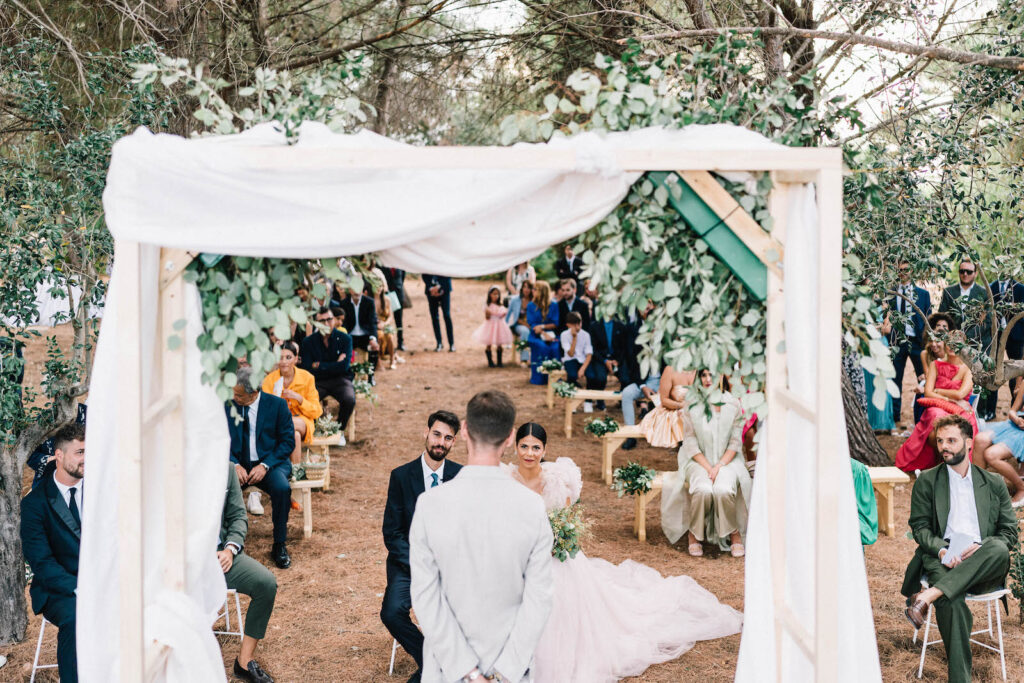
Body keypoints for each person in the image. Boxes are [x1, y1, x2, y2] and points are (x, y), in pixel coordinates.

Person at [505, 422, 743, 682]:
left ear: (544, 449)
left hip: (553, 556)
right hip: (516, 555)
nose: (529, 453)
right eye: (524, 446)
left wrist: (558, 540)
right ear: (515, 447)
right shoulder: (505, 479)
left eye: (535, 447)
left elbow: (567, 520)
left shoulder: (557, 478)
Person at [410, 391, 553, 683]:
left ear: (463, 430)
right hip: (511, 669)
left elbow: (425, 597)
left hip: (448, 670)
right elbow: (539, 599)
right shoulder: (532, 507)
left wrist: (468, 673)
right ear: (511, 437)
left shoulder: (429, 505)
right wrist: (504, 673)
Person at [902, 414, 1017, 683]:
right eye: (941, 440)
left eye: (952, 440)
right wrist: (943, 551)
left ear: (968, 443)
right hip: (942, 558)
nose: (945, 446)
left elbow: (1009, 533)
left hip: (984, 561)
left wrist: (979, 548)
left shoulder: (994, 483)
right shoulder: (927, 481)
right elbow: (920, 527)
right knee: (952, 602)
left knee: (998, 548)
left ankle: (927, 596)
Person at [381, 410, 463, 683]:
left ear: (454, 443)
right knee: (391, 612)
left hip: (451, 568)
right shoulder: (401, 476)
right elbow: (392, 533)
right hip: (409, 565)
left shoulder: (463, 478)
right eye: (437, 434)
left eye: (448, 438)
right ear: (426, 433)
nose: (440, 442)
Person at [661, 370, 751, 557]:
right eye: (703, 375)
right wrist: (708, 467)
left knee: (723, 490)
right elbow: (690, 442)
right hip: (697, 460)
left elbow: (735, 442)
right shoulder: (691, 405)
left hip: (728, 460)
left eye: (713, 374)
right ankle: (694, 534)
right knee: (703, 489)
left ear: (722, 376)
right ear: (698, 379)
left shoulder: (733, 404)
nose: (708, 379)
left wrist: (718, 466)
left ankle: (733, 533)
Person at [21, 424, 85, 683]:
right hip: (57, 590)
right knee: (77, 616)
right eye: (80, 452)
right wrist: (82, 588)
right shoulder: (34, 504)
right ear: (58, 455)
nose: (86, 459)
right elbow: (42, 563)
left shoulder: (102, 494)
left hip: (102, 582)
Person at [226, 367, 296, 569]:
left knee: (282, 489)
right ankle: (227, 545)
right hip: (237, 464)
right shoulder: (228, 406)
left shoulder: (277, 405)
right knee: (219, 488)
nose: (234, 397)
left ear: (254, 392)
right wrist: (234, 464)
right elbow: (220, 440)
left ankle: (279, 544)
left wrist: (265, 465)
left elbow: (287, 442)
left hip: (269, 463)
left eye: (239, 395)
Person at [218, 461, 279, 683]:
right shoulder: (173, 468)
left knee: (266, 583)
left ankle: (244, 662)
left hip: (223, 556)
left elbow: (238, 516)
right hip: (185, 562)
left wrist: (229, 549)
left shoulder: (226, 468)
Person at [895, 313, 978, 473]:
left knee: (963, 423)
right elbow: (928, 392)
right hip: (939, 406)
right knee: (935, 415)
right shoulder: (936, 364)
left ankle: (959, 466)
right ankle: (937, 463)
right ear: (945, 344)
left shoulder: (968, 368)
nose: (953, 347)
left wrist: (939, 391)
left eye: (957, 344)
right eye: (949, 343)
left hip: (961, 409)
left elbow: (961, 394)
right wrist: (948, 398)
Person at [300, 306, 356, 443]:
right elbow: (307, 368)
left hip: (340, 380)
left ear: (334, 320)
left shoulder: (345, 339)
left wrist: (319, 365)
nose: (326, 323)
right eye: (322, 320)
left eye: (329, 319)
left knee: (349, 399)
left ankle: (339, 431)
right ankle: (316, 430)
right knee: (306, 402)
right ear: (316, 323)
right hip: (317, 381)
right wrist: (334, 365)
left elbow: (344, 366)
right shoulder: (308, 342)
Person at [261, 341, 322, 465]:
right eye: (280, 357)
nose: (283, 362)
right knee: (295, 435)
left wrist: (299, 398)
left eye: (288, 357)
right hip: (279, 422)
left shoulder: (307, 378)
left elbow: (316, 411)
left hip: (301, 421)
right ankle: (296, 471)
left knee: (292, 428)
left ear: (295, 359)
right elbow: (264, 411)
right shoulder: (269, 380)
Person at [890, 260, 931, 426]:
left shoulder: (923, 294)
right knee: (894, 378)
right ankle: (894, 416)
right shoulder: (891, 292)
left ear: (912, 270)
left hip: (917, 342)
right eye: (900, 269)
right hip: (897, 342)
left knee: (925, 377)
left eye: (906, 269)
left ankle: (924, 415)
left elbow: (928, 319)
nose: (903, 272)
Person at [974, 380, 1024, 506]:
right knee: (980, 439)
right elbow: (1012, 411)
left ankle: (1021, 487)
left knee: (991, 455)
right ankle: (979, 488)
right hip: (1017, 424)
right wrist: (1016, 418)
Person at [981, 276, 1024, 419]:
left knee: (1016, 372)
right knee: (993, 370)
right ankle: (990, 410)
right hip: (995, 335)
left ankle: (1015, 409)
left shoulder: (1020, 288)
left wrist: (1014, 309)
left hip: (1016, 336)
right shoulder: (990, 286)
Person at [939, 258, 994, 360]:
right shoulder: (948, 292)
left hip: (979, 345)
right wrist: (954, 337)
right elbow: (942, 317)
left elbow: (988, 321)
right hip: (953, 344)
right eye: (962, 271)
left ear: (975, 273)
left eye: (969, 272)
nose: (965, 274)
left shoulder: (985, 293)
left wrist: (965, 336)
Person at [639, 365, 696, 448]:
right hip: (675, 411)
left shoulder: (702, 370)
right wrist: (681, 406)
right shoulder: (670, 370)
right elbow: (664, 400)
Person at [340, 287, 380, 383]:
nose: (357, 292)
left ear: (362, 290)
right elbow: (344, 323)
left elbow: (372, 322)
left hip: (365, 335)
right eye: (354, 288)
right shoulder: (344, 303)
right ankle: (349, 376)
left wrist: (373, 338)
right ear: (350, 290)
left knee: (374, 348)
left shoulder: (369, 302)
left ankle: (371, 376)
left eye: (359, 289)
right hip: (350, 336)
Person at [866, 309, 896, 432]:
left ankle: (882, 423)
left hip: (880, 347)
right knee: (868, 383)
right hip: (865, 347)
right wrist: (877, 327)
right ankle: (869, 421)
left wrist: (872, 328)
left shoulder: (884, 307)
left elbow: (887, 330)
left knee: (882, 382)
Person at [526, 280, 560, 385]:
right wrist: (540, 331)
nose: (532, 291)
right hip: (535, 335)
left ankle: (555, 377)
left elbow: (555, 323)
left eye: (535, 289)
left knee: (555, 347)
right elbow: (531, 323)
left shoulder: (553, 305)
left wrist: (543, 327)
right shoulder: (531, 305)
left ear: (542, 291)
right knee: (541, 347)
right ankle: (539, 378)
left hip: (551, 334)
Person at [470, 285, 513, 368]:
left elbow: (503, 314)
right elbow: (487, 316)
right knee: (489, 343)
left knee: (499, 343)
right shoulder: (487, 306)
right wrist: (490, 313)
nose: (496, 296)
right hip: (490, 326)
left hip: (500, 326)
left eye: (497, 294)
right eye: (494, 294)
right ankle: (490, 361)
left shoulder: (501, 306)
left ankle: (499, 361)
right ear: (490, 295)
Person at [559, 312, 593, 410]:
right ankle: (572, 400)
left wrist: (582, 369)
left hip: (583, 360)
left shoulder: (586, 335)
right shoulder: (564, 335)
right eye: (574, 324)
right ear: (568, 325)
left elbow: (589, 354)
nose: (577, 327)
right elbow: (570, 353)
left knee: (591, 376)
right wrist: (574, 338)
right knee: (572, 375)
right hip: (570, 359)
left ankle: (588, 401)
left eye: (579, 323)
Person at [422, 274, 454, 352]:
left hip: (444, 287)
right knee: (434, 317)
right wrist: (431, 287)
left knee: (447, 315)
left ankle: (451, 343)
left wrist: (439, 286)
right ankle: (439, 342)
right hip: (431, 291)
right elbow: (423, 272)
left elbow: (448, 271)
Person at [505, 279, 534, 366]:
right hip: (519, 324)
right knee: (525, 331)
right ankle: (524, 359)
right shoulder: (515, 300)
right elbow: (509, 314)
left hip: (532, 324)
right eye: (524, 287)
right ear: (521, 288)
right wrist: (505, 326)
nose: (526, 289)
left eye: (528, 287)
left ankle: (535, 359)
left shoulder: (534, 300)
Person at [376, 286, 403, 368]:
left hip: (386, 324)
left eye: (380, 286)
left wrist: (385, 324)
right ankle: (378, 360)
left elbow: (390, 316)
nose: (378, 288)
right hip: (376, 325)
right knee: (379, 335)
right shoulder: (370, 300)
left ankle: (392, 360)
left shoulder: (387, 299)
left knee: (390, 336)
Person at [382, 267, 408, 351]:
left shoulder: (400, 265)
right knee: (385, 318)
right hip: (387, 294)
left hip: (398, 292)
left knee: (399, 320)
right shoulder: (383, 265)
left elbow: (403, 276)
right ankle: (386, 344)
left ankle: (400, 342)